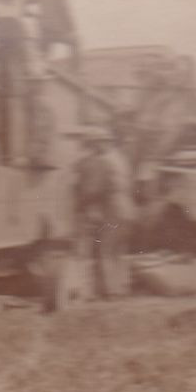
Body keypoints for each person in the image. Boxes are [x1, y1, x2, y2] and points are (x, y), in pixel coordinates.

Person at [74, 127, 133, 299]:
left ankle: (112, 291)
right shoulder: (120, 158)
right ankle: (123, 287)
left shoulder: (104, 161)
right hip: (128, 207)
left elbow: (94, 190)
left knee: (106, 250)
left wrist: (82, 202)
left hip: (113, 208)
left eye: (94, 144)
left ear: (101, 143)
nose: (93, 148)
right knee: (119, 250)